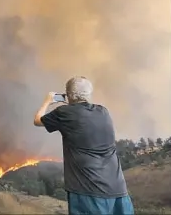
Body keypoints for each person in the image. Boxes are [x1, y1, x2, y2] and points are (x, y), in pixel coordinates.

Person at [33, 76, 134, 215]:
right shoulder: (103, 111)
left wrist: (47, 101)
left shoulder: (64, 112)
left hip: (88, 191)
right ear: (89, 94)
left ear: (68, 95)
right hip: (118, 191)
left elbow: (37, 120)